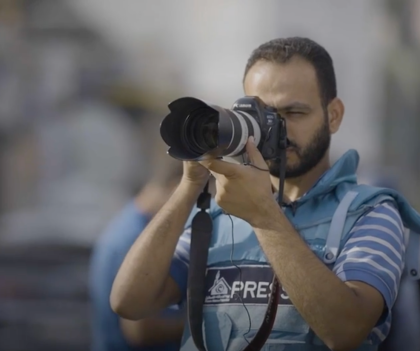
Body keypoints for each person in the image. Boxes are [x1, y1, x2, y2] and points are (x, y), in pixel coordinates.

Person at [110, 37, 420, 351]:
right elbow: (128, 302)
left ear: (333, 115)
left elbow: (345, 330)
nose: (275, 129)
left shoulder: (371, 213)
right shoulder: (217, 217)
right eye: (262, 114)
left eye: (294, 113)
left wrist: (263, 215)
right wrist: (190, 185)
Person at [89, 137, 188, 351]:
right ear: (176, 187)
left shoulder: (128, 223)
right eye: (192, 196)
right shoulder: (139, 238)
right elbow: (139, 331)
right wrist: (204, 325)